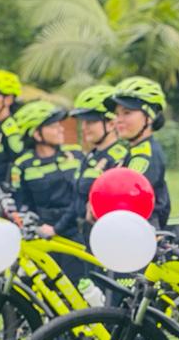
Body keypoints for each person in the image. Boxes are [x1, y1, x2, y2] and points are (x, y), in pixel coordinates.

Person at [58, 84, 127, 243]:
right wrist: (56, 228)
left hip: (108, 239)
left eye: (90, 122)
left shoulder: (119, 158)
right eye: (83, 122)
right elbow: (76, 201)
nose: (84, 128)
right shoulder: (89, 156)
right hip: (85, 236)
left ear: (110, 124)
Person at [9, 100, 82, 242]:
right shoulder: (22, 165)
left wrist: (59, 227)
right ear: (36, 134)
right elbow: (21, 203)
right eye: (54, 126)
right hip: (42, 234)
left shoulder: (76, 155)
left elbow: (80, 197)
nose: (61, 129)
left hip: (75, 231)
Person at [104, 76, 171, 228]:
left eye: (127, 113)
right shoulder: (135, 150)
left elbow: (128, 198)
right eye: (117, 114)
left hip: (138, 234)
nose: (118, 120)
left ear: (149, 117)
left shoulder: (145, 154)